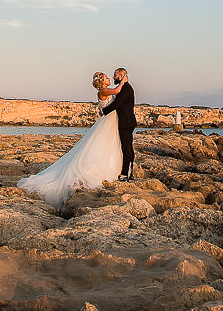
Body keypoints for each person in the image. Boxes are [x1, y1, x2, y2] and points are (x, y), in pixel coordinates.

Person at [17, 72, 124, 208]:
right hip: (106, 123)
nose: (109, 78)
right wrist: (123, 80)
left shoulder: (105, 91)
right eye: (107, 77)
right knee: (101, 145)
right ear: (102, 82)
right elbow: (117, 90)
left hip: (109, 122)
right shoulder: (103, 91)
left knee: (107, 145)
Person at [100, 67, 137, 180]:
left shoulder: (125, 88)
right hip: (126, 121)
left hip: (126, 122)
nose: (113, 77)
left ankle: (125, 173)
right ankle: (129, 172)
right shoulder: (124, 87)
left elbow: (117, 103)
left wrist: (105, 111)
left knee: (126, 147)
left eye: (115, 75)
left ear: (121, 76)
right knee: (127, 147)